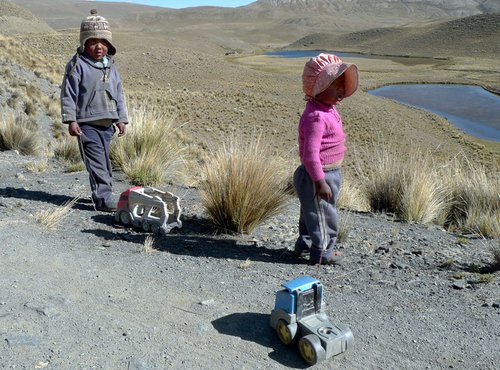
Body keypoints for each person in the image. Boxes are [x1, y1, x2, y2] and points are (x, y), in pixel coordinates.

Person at [293, 53, 359, 265]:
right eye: (334, 85)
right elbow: (311, 154)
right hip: (318, 174)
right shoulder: (316, 117)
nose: (340, 91)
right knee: (323, 215)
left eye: (342, 85)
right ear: (319, 88)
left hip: (328, 173)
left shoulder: (327, 110)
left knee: (311, 213)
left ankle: (304, 246)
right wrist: (320, 182)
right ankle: (322, 252)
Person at [61, 9, 128, 212]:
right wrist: (71, 119)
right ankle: (103, 199)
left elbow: (119, 93)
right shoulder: (77, 65)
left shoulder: (111, 67)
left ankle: (103, 196)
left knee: (105, 162)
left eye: (104, 42)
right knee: (97, 161)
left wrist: (121, 119)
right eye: (92, 42)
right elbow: (68, 93)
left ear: (109, 44)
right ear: (84, 43)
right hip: (86, 124)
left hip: (107, 124)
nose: (99, 47)